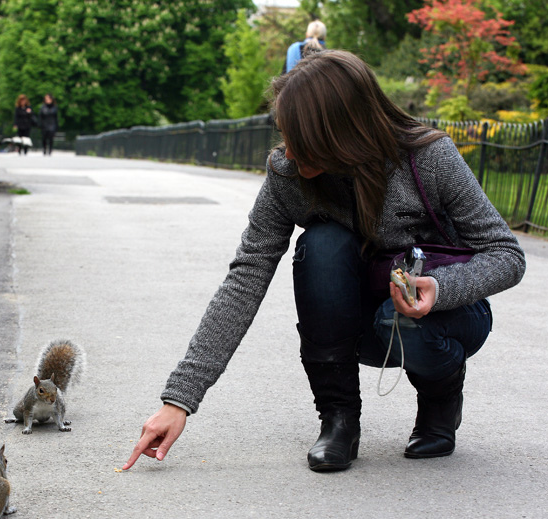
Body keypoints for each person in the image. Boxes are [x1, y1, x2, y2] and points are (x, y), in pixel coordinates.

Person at [123, 50, 525, 473]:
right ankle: (339, 420)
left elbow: (507, 254)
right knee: (322, 243)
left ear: (342, 132)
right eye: (286, 134)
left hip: (446, 316)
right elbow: (246, 276)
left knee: (399, 320)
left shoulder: (429, 157)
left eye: (302, 140)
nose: (290, 153)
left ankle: (441, 399)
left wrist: (441, 290)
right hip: (357, 326)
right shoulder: (288, 174)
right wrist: (179, 399)